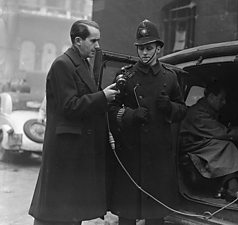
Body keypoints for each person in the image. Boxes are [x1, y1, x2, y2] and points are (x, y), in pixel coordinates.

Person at [29, 20, 119, 225]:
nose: (97, 46)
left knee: (68, 212)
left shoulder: (81, 63)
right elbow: (69, 106)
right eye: (93, 40)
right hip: (65, 151)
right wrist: (102, 97)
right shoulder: (63, 64)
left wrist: (103, 97)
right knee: (55, 213)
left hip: (73, 150)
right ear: (78, 41)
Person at [108, 19, 187, 225]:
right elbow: (110, 109)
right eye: (141, 48)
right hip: (131, 154)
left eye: (149, 48)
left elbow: (182, 111)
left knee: (155, 216)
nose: (144, 53)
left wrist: (169, 106)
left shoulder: (170, 78)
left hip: (157, 156)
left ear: (159, 49)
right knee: (127, 214)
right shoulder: (126, 76)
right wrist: (130, 115)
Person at [179, 82, 238, 202]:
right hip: (192, 146)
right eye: (221, 99)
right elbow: (223, 133)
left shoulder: (208, 110)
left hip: (202, 142)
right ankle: (232, 188)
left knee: (230, 145)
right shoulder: (198, 113)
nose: (224, 102)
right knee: (227, 146)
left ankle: (229, 186)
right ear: (211, 97)